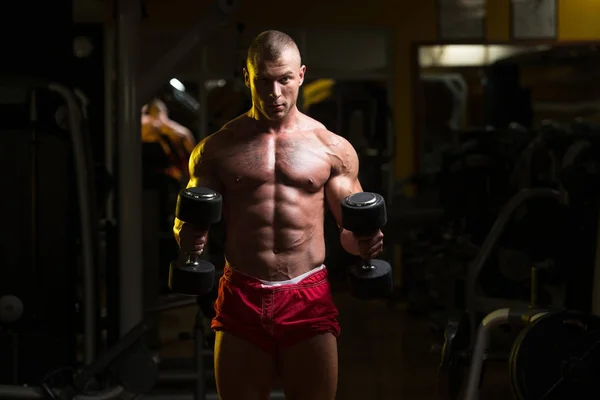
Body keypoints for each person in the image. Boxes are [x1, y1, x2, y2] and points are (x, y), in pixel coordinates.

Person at [173, 30, 384, 400]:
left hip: (308, 294)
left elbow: (349, 233)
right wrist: (187, 237)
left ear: (301, 74)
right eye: (264, 81)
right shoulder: (216, 149)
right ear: (247, 76)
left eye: (284, 80)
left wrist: (365, 244)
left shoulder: (331, 149)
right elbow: (187, 221)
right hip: (242, 294)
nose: (275, 94)